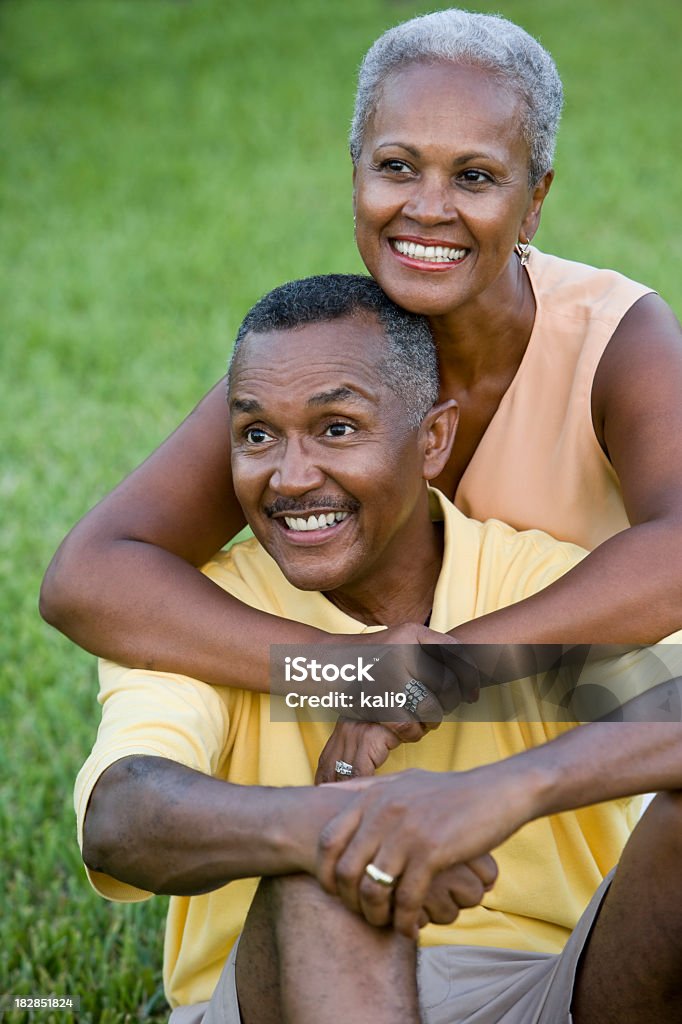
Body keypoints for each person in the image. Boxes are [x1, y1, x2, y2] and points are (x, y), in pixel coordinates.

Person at [40, 11, 682, 717]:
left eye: (474, 177)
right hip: (382, 749)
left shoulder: (617, 337)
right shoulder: (324, 352)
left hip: (586, 735)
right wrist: (348, 675)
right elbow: (88, 577)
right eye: (397, 167)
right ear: (356, 176)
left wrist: (443, 671)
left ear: (533, 202)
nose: (428, 208)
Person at [77, 275, 682, 1024]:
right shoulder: (198, 614)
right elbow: (121, 817)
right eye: (257, 435)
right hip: (285, 994)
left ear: (432, 440)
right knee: (334, 867)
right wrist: (340, 821)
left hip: (538, 992)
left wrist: (502, 790)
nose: (290, 478)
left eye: (337, 428)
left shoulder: (526, 587)